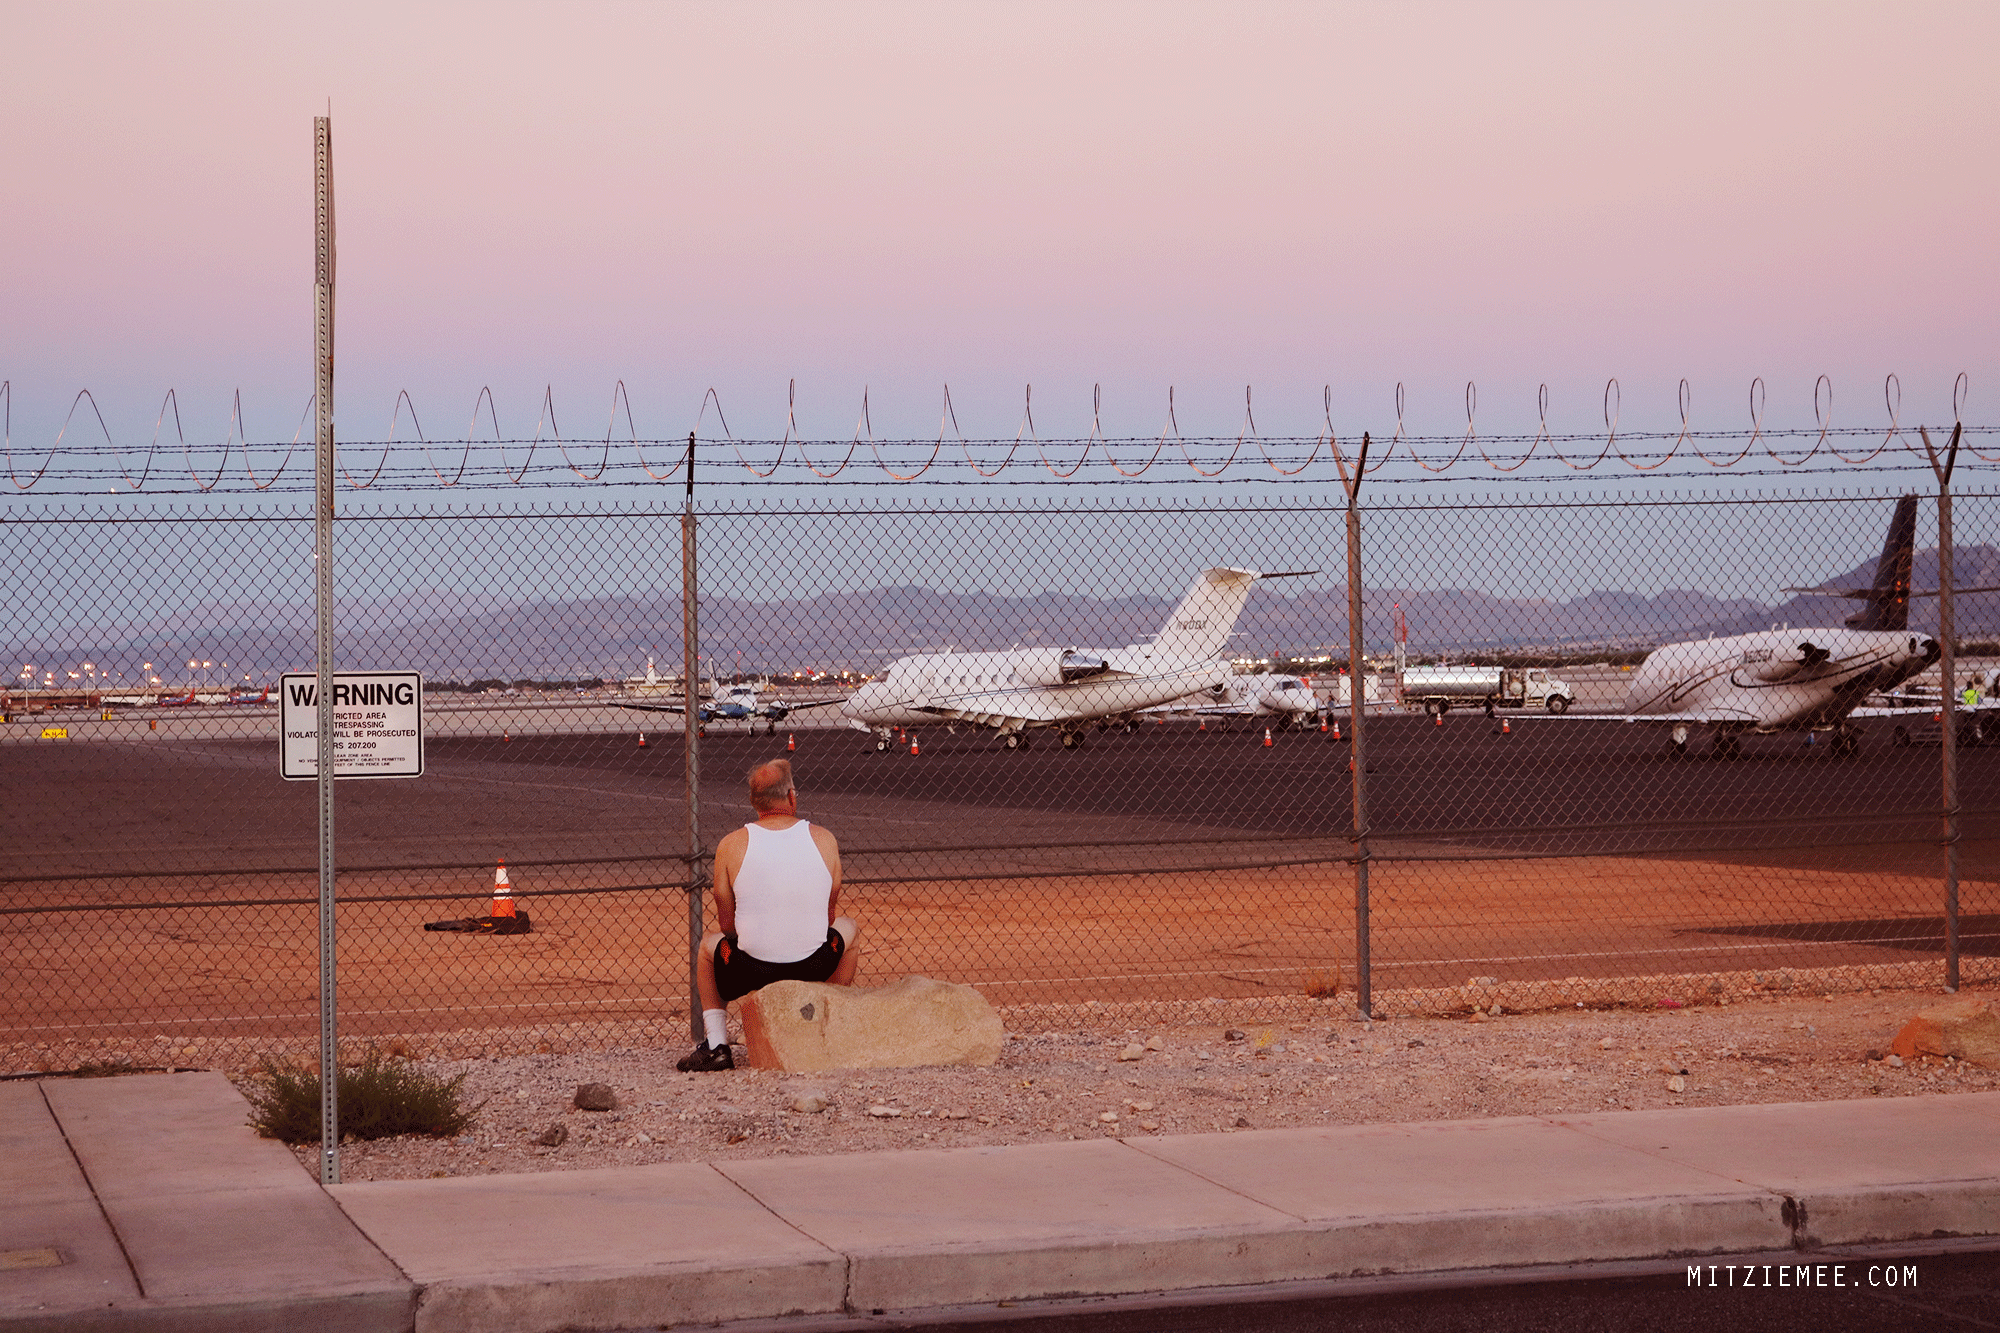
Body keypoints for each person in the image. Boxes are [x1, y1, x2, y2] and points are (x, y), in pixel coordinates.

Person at [677, 759, 858, 1071]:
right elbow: (829, 916)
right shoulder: (825, 839)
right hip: (814, 963)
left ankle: (717, 1045)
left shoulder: (730, 845)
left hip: (750, 969)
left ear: (753, 801)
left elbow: (726, 924)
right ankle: (826, 1022)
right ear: (791, 796)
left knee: (710, 946)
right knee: (849, 928)